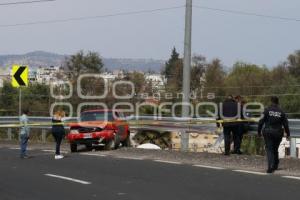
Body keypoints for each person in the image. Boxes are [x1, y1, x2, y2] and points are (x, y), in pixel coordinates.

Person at [258, 96, 290, 173]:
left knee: (269, 149)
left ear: (271, 101)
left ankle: (270, 166)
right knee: (275, 149)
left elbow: (261, 122)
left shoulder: (266, 110)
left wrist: (258, 132)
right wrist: (288, 134)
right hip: (278, 133)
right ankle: (275, 165)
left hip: (268, 132)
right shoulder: (281, 111)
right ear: (277, 102)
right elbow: (286, 124)